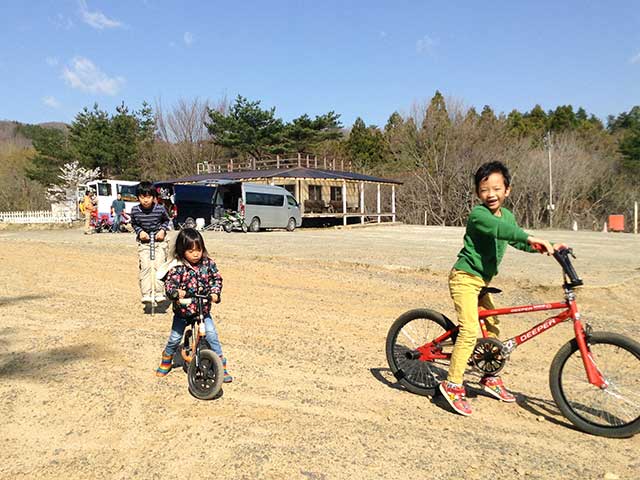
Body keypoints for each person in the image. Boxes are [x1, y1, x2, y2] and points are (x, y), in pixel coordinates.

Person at [439, 161, 560, 416]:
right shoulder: (479, 215)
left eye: (496, 188)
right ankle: (452, 385)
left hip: (483, 282)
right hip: (464, 278)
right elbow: (499, 230)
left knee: (492, 330)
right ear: (477, 193)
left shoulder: (507, 216)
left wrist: (546, 246)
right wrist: (527, 236)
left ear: (508, 190)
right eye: (484, 190)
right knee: (470, 331)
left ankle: (489, 376)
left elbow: (513, 236)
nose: (490, 194)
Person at [155, 228, 232, 383]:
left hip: (202, 311)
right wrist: (176, 293)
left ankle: (220, 366)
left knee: (211, 335)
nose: (196, 254)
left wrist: (215, 293)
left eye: (199, 250)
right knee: (175, 338)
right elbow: (170, 286)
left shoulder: (207, 264)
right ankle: (167, 357)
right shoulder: (177, 267)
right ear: (182, 251)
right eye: (191, 251)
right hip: (183, 311)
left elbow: (216, 279)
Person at [130, 181, 171, 304]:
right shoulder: (135, 210)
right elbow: (134, 223)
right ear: (138, 198)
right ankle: (146, 294)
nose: (145, 200)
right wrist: (140, 232)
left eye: (148, 197)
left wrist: (162, 231)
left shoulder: (160, 209)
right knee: (146, 267)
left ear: (153, 197)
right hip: (145, 243)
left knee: (159, 266)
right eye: (142, 197)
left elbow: (166, 221)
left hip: (159, 241)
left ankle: (159, 293)